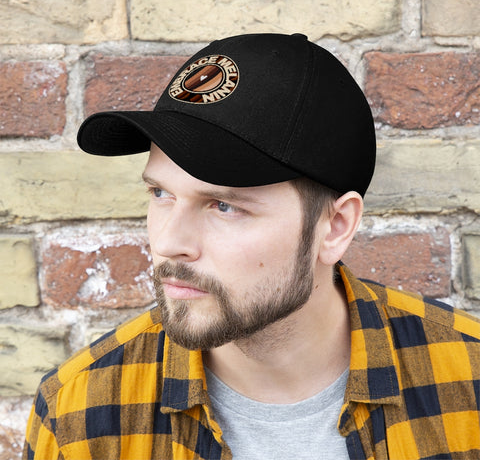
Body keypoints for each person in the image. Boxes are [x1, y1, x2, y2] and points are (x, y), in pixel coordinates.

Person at [24, 33, 480, 460]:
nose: (168, 243)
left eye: (223, 206)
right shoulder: (78, 415)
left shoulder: (468, 379)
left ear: (335, 226)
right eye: (161, 194)